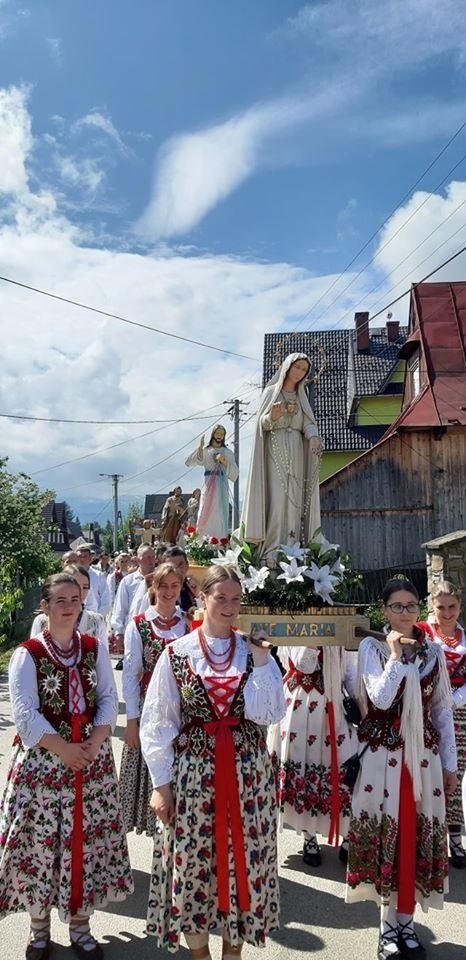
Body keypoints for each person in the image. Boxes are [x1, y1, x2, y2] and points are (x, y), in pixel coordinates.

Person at [140, 565, 286, 959]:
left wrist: (258, 659)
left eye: (236, 599)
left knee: (242, 865)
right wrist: (160, 784)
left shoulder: (255, 651)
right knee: (193, 866)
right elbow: (158, 722)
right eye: (220, 597)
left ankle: (233, 953)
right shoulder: (178, 653)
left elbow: (271, 713)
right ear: (202, 599)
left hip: (247, 778)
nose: (229, 606)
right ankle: (200, 954)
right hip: (194, 778)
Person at [0, 572, 133, 959]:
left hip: (89, 764)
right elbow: (25, 713)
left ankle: (80, 927)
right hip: (45, 765)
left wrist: (94, 740)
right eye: (60, 600)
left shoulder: (93, 647)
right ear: (44, 606)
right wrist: (63, 749)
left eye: (75, 599)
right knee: (41, 847)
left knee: (84, 846)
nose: (69, 606)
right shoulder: (29, 653)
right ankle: (38, 930)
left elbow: (109, 696)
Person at [346, 578, 457, 960]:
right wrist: (395, 657)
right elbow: (378, 698)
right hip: (383, 757)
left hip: (422, 758)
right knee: (387, 838)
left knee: (415, 835)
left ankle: (407, 924)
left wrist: (450, 764)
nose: (405, 613)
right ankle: (386, 929)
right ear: (384, 610)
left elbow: (441, 710)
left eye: (411, 606)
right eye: (397, 606)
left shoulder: (432, 652)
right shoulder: (372, 648)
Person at [268, 643, 357, 867]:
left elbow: (349, 671)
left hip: (334, 703)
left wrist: (361, 704)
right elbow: (304, 664)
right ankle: (309, 837)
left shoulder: (337, 621)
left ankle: (347, 834)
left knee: (345, 767)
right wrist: (315, 636)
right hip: (299, 707)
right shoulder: (293, 623)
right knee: (303, 766)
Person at [119, 563, 189, 836]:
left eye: (175, 585)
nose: (169, 591)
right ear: (153, 588)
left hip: (183, 710)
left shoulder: (189, 623)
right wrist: (132, 721)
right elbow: (130, 676)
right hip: (150, 710)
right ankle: (155, 829)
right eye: (163, 586)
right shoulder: (139, 625)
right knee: (151, 767)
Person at [241, 353, 322, 558]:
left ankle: (292, 548)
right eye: (297, 367)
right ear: (287, 367)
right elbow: (262, 424)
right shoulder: (271, 393)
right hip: (274, 452)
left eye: (304, 370)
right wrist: (272, 417)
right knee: (277, 500)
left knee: (294, 503)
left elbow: (307, 423)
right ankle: (271, 550)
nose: (300, 373)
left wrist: (312, 436)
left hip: (296, 451)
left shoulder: (301, 396)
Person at [418, 581, 466, 868]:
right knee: (426, 774)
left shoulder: (465, 637)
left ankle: (456, 839)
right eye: (441, 607)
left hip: (458, 713)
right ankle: (426, 837)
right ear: (431, 607)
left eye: (452, 607)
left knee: (454, 774)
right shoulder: (422, 633)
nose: (447, 613)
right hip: (424, 711)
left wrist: (453, 699)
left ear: (459, 606)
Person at [30, 564, 108, 648]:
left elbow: (104, 655)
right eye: (76, 586)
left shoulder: (96, 621)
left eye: (85, 587)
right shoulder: (42, 621)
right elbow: (34, 652)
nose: (81, 592)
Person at [185, 426, 238, 540]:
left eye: (222, 434)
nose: (219, 436)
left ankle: (219, 541)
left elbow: (235, 473)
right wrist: (199, 448)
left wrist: (224, 461)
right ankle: (202, 540)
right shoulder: (206, 450)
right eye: (217, 433)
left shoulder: (227, 452)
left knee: (219, 513)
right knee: (204, 510)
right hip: (208, 484)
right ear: (213, 434)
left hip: (221, 486)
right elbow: (189, 462)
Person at [75, 543, 110, 617]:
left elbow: (106, 599)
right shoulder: (71, 576)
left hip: (95, 617)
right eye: (79, 556)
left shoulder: (98, 575)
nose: (82, 559)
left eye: (85, 556)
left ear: (90, 559)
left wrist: (98, 617)